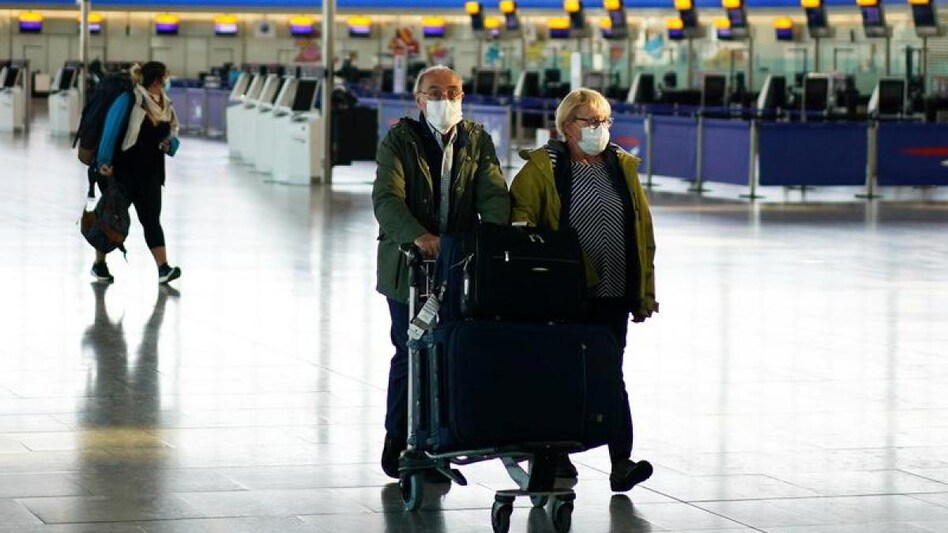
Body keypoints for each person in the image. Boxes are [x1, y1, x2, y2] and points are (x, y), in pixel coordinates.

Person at [509, 88, 658, 492]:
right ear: (565, 126)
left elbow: (641, 233)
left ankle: (621, 463)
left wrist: (644, 291)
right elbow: (520, 220)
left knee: (611, 375)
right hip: (565, 291)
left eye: (604, 121)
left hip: (614, 290)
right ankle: (556, 456)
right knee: (561, 374)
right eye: (589, 121)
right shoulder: (542, 168)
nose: (598, 129)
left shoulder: (622, 167)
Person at [373, 65, 510, 478]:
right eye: (435, 92)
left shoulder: (476, 140)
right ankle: (399, 439)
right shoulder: (400, 140)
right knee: (409, 351)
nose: (445, 100)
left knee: (451, 351)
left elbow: (492, 190)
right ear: (419, 100)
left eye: (453, 92)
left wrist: (499, 237)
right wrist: (419, 236)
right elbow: (386, 198)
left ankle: (441, 440)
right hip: (408, 267)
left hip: (458, 266)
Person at [91, 62, 181, 285]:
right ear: (156, 80)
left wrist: (171, 146)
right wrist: (103, 161)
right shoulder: (130, 99)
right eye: (165, 77)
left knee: (152, 220)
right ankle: (99, 264)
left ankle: (163, 269)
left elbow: (173, 134)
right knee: (111, 219)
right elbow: (111, 130)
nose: (167, 80)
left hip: (150, 174)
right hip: (123, 172)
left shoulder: (166, 104)